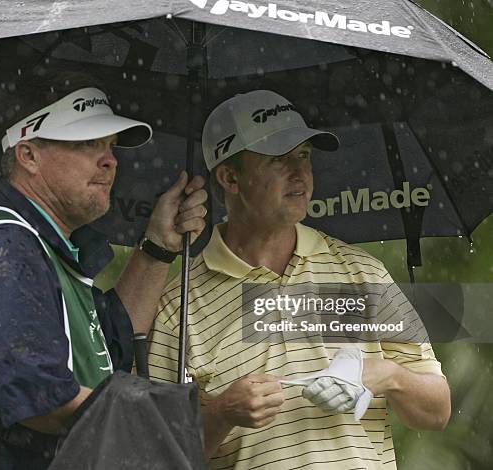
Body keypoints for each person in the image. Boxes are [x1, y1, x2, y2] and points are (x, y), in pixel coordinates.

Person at [0, 71, 208, 469]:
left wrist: (158, 246)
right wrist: (170, 420)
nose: (110, 160)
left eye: (110, 145)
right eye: (88, 143)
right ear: (28, 155)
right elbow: (37, 396)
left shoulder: (42, 250)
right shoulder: (6, 250)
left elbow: (107, 352)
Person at [147, 90, 451, 469]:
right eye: (278, 159)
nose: (300, 173)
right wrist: (223, 414)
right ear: (229, 177)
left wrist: (384, 374)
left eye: (304, 156)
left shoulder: (362, 272)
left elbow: (437, 411)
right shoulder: (176, 308)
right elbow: (155, 456)